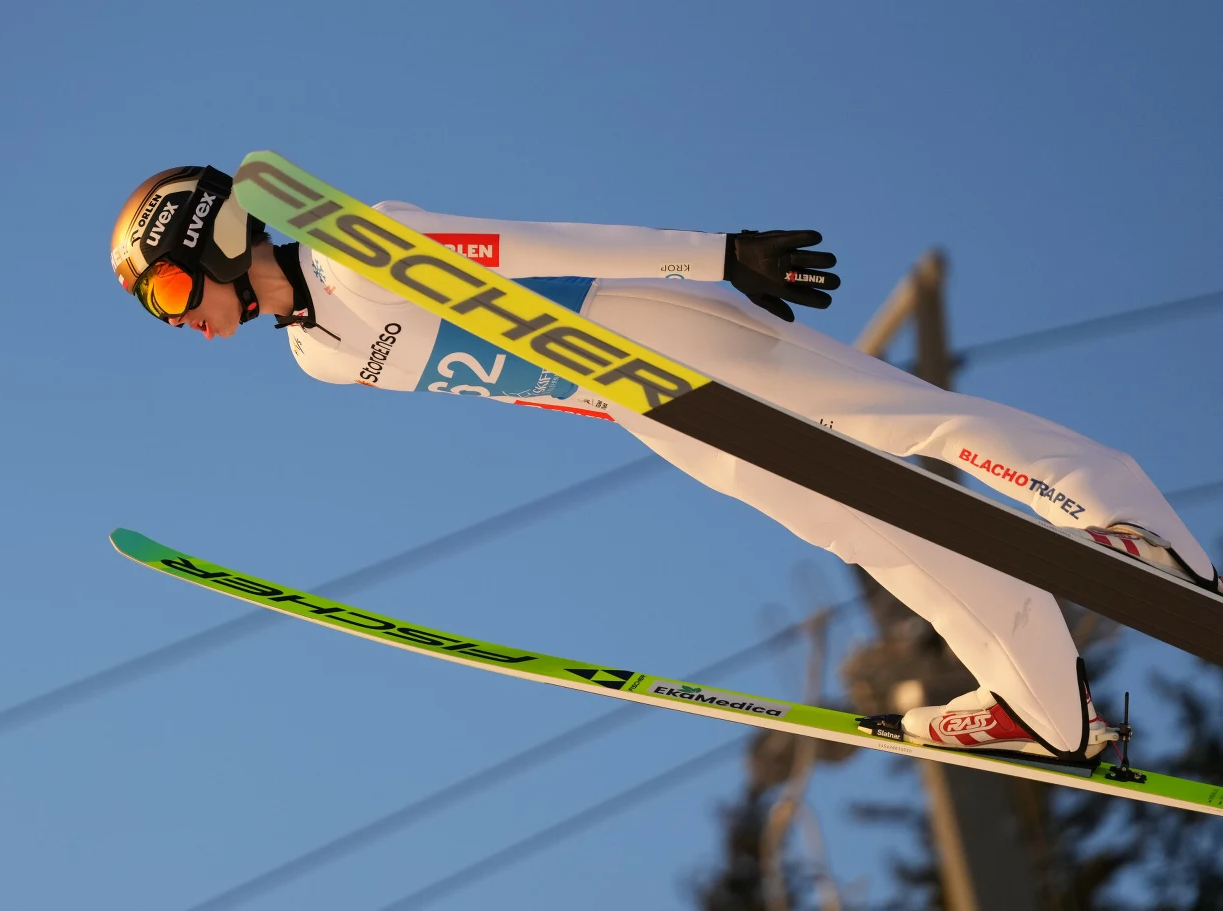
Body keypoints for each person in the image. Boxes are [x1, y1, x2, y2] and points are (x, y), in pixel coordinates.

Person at [110, 165, 1219, 761]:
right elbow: (500, 377)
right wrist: (621, 407)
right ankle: (1040, 702)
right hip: (635, 398)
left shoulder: (357, 242)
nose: (180, 322)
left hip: (651, 323)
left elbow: (534, 247)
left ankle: (1126, 525)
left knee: (895, 421)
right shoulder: (319, 355)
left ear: (214, 233)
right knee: (865, 525)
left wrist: (716, 255)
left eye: (168, 292)